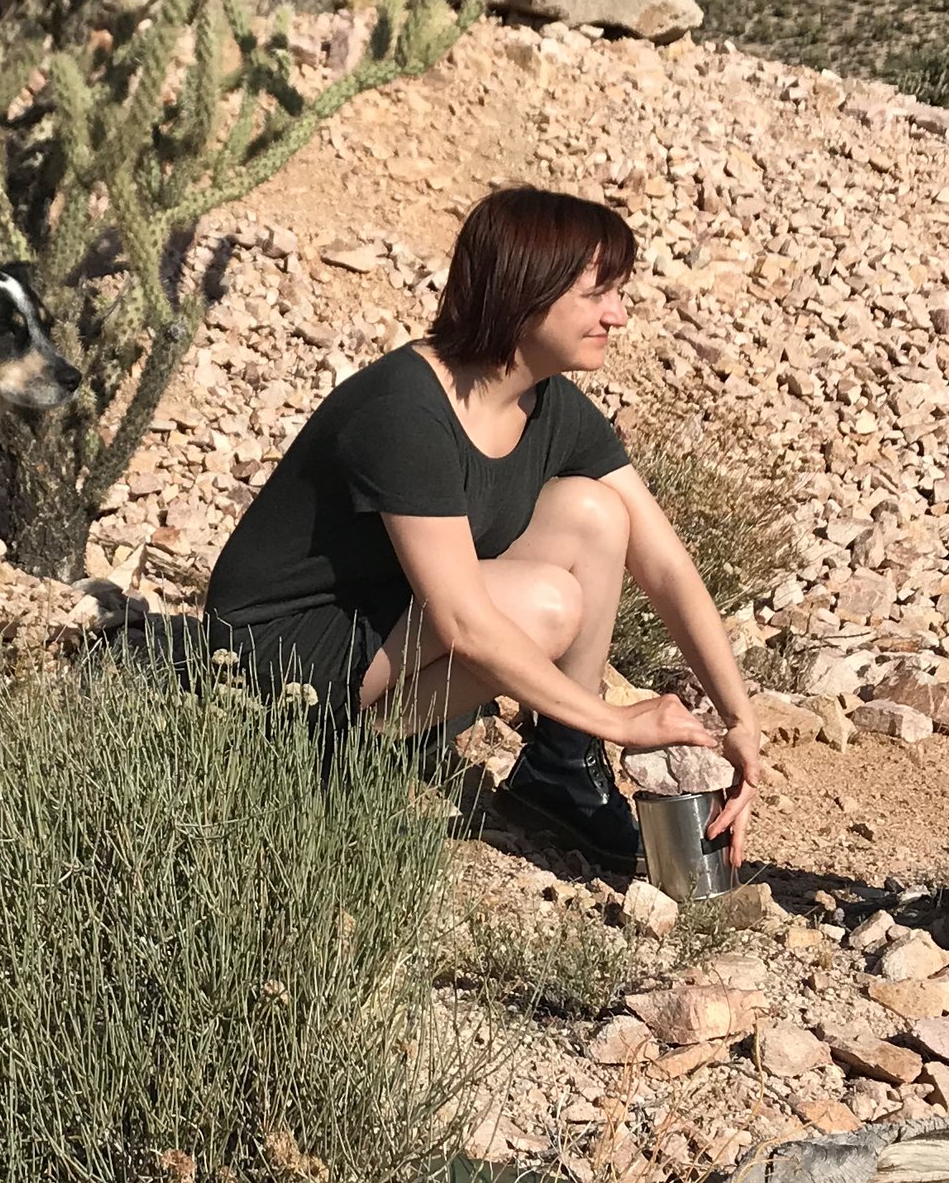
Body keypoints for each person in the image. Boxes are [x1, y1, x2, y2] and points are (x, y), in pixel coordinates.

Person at [205, 185, 769, 868]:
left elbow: (666, 566)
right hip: (280, 653)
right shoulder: (404, 411)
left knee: (596, 512)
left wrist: (740, 720)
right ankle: (339, 759)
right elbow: (463, 625)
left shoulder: (549, 405)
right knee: (547, 604)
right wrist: (621, 722)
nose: (617, 316)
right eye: (597, 294)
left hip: (384, 616)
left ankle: (562, 766)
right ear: (526, 291)